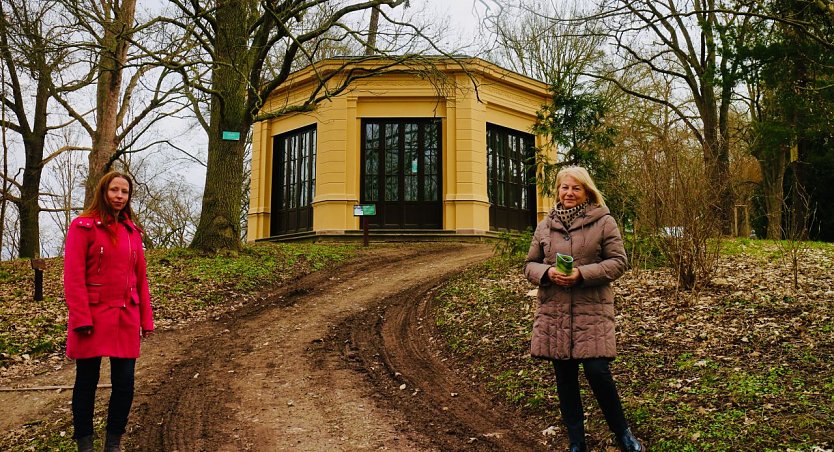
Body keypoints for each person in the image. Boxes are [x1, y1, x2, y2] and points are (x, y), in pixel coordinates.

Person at [524, 166, 644, 452]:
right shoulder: (544, 225)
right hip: (555, 312)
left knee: (597, 372)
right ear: (558, 190)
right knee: (565, 379)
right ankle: (577, 442)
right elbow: (529, 264)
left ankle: (622, 432)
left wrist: (582, 274)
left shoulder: (604, 222)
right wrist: (546, 273)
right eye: (565, 187)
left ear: (587, 192)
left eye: (576, 188)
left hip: (592, 310)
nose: (569, 193)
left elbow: (618, 262)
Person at [64, 171, 154, 452]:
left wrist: (146, 319)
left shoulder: (132, 232)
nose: (119, 196)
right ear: (103, 192)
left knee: (125, 383)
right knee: (87, 382)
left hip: (126, 315)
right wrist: (80, 317)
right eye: (114, 190)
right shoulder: (83, 227)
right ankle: (84, 444)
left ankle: (113, 443)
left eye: (124, 192)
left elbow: (141, 278)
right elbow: (73, 275)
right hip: (91, 316)